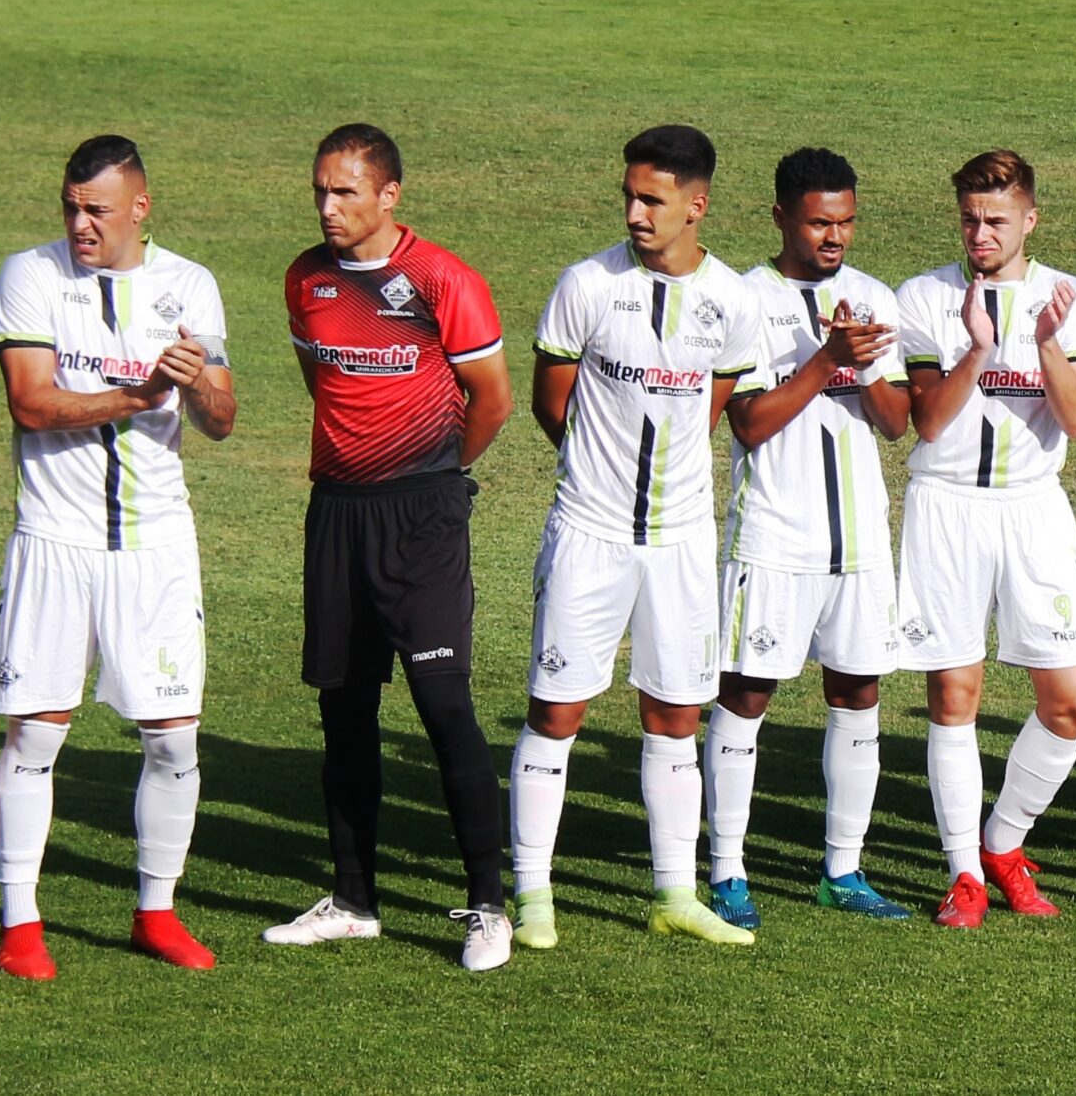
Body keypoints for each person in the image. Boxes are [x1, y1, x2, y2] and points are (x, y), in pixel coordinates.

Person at [267, 125, 517, 970]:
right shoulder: (307, 277)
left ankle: (489, 907)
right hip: (338, 513)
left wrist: (435, 471)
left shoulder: (443, 280)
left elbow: (491, 399)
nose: (327, 206)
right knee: (344, 711)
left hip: (422, 518)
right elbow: (324, 382)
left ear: (388, 194)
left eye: (344, 191)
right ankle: (353, 901)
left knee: (444, 706)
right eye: (320, 190)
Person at [507, 125, 761, 949]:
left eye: (652, 199)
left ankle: (674, 895)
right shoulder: (587, 284)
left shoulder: (733, 302)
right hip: (588, 530)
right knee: (557, 709)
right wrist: (597, 475)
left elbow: (713, 408)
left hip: (682, 540)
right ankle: (533, 896)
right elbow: (552, 402)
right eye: (629, 196)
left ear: (697, 205)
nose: (634, 213)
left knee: (677, 713)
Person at [0, 135, 237, 980]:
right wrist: (140, 394)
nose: (80, 224)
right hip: (54, 542)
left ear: (140, 208)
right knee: (35, 734)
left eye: (96, 209)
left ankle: (156, 913)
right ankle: (21, 925)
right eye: (71, 207)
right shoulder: (30, 274)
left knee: (173, 743)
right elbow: (31, 404)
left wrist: (197, 382)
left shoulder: (190, 284)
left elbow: (221, 420)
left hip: (156, 550)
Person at [702, 148, 914, 927]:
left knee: (858, 692)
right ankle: (727, 873)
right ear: (781, 217)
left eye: (846, 222)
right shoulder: (743, 300)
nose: (836, 237)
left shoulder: (872, 297)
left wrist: (863, 366)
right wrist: (827, 359)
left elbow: (896, 423)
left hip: (857, 540)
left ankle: (843, 870)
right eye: (821, 222)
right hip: (773, 538)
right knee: (747, 695)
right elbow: (749, 423)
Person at [892, 150, 1076, 930]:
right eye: (970, 220)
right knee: (955, 696)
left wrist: (1046, 344)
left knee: (1071, 700)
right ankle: (965, 876)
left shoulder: (1071, 298)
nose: (980, 234)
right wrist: (977, 348)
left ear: (1030, 220)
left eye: (996, 221)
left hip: (1033, 508)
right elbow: (927, 421)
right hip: (946, 506)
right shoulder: (925, 297)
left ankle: (1003, 841)